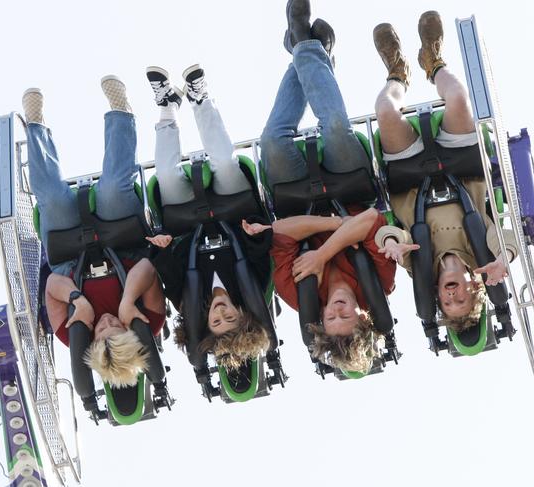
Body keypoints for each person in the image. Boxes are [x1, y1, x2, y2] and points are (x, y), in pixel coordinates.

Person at [260, 0, 397, 374]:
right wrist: (324, 251)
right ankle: (305, 43)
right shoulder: (380, 283)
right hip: (351, 187)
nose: (337, 310)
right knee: (335, 125)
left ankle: (305, 45)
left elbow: (280, 233)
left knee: (271, 141)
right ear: (364, 315)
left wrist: (336, 230)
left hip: (296, 201)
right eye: (347, 316)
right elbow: (371, 218)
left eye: (331, 318)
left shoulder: (295, 294)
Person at [370, 11, 517, 332]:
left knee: (385, 112)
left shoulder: (419, 266)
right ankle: (433, 61)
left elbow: (390, 234)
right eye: (460, 300)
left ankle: (397, 73)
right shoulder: (481, 252)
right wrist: (504, 257)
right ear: (474, 287)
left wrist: (392, 243)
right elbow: (501, 236)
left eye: (446, 303)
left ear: (436, 293)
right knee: (461, 100)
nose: (451, 296)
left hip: (410, 181)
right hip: (463, 172)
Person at [22, 77, 166, 388]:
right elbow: (148, 268)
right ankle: (121, 113)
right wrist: (128, 300)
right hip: (123, 244)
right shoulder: (150, 321)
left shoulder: (69, 332)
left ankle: (35, 126)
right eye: (118, 326)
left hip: (68, 256)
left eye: (103, 331)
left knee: (52, 197)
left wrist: (77, 299)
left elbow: (51, 285)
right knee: (114, 188)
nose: (108, 322)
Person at [145, 64, 272, 371]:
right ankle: (200, 101)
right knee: (226, 165)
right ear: (242, 313)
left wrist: (162, 246)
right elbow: (261, 253)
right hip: (235, 213)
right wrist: (255, 233)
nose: (221, 312)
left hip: (187, 223)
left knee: (165, 175)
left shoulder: (187, 298)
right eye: (230, 317)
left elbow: (166, 268)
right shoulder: (252, 289)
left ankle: (167, 109)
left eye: (217, 320)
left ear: (207, 321)